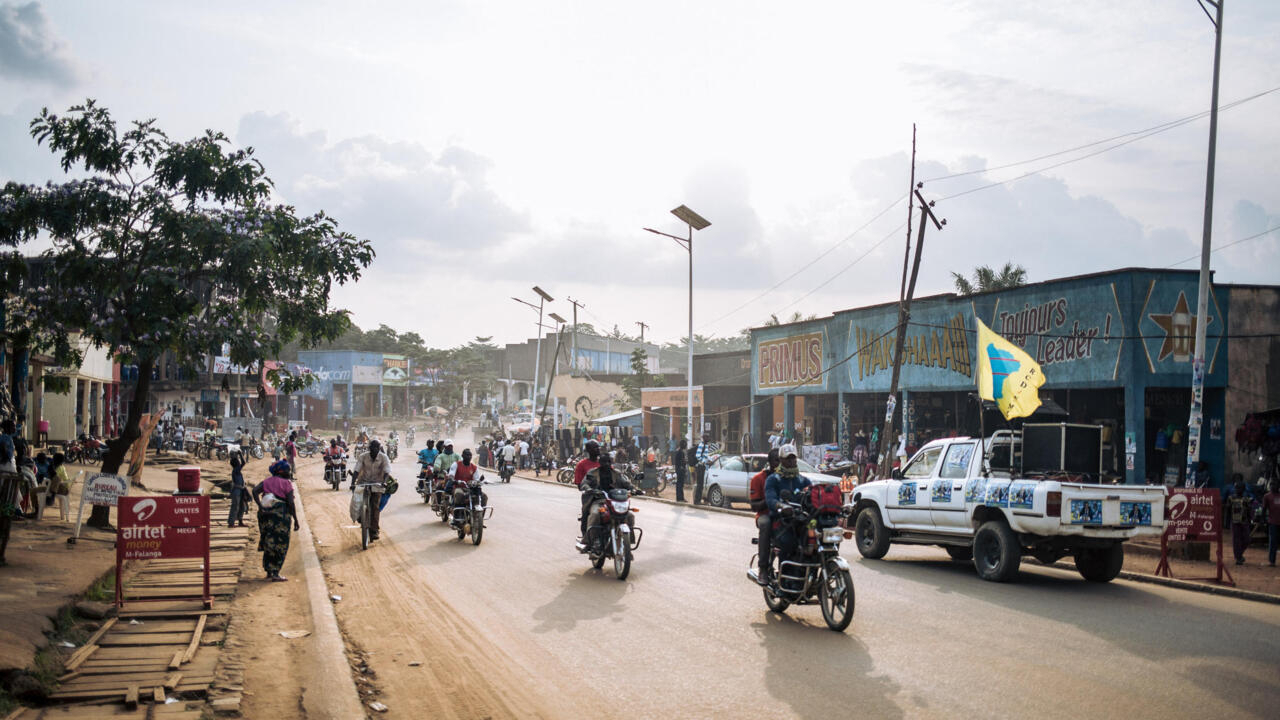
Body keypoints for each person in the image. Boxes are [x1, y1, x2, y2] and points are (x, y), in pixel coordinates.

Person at [765, 444, 813, 582]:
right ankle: (783, 579)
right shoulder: (773, 479)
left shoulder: (803, 480)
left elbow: (812, 495)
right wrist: (781, 505)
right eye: (788, 459)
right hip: (781, 521)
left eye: (793, 458)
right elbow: (770, 499)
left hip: (801, 521)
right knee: (788, 542)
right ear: (781, 460)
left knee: (815, 540)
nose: (791, 461)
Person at [252, 460, 299, 581]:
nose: (290, 472)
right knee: (280, 544)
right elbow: (290, 503)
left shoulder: (267, 481)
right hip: (280, 518)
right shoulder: (286, 483)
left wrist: (260, 506)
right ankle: (275, 573)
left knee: (269, 541)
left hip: (265, 516)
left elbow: (254, 491)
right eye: (288, 470)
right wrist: (296, 519)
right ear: (281, 471)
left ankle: (269, 571)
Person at [578, 452, 632, 551]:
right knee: (595, 514)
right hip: (599, 500)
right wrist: (589, 488)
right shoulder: (592, 473)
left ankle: (628, 542)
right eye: (604, 462)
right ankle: (590, 541)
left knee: (630, 515)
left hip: (615, 501)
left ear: (611, 462)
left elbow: (626, 483)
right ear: (600, 463)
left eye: (608, 462)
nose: (606, 464)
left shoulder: (616, 473)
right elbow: (584, 483)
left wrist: (634, 489)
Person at [749, 449, 782, 585]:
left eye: (782, 460)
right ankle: (762, 567)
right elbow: (754, 505)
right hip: (765, 514)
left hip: (784, 515)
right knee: (766, 524)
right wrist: (770, 501)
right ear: (769, 462)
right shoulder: (758, 479)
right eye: (777, 460)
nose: (780, 464)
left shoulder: (789, 478)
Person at [354, 440, 393, 541]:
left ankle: (374, 530)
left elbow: (387, 471)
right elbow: (357, 470)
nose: (374, 450)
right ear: (369, 448)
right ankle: (359, 516)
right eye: (372, 448)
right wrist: (352, 482)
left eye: (377, 447)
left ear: (379, 448)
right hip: (363, 482)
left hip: (377, 484)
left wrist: (384, 482)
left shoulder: (384, 457)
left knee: (375, 506)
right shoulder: (363, 456)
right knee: (356, 502)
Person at [446, 449, 486, 525]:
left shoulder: (474, 467)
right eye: (467, 455)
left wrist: (479, 481)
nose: (469, 457)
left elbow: (476, 479)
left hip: (470, 488)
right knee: (459, 494)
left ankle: (479, 518)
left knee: (484, 497)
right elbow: (451, 475)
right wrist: (453, 480)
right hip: (459, 487)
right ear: (462, 456)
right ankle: (457, 518)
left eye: (470, 455)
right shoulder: (456, 464)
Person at [1222, 473, 1256, 565]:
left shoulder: (1246, 499)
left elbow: (1249, 510)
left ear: (1243, 489)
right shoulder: (1231, 498)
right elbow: (1228, 510)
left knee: (1247, 539)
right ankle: (1238, 557)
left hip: (1244, 521)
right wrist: (1226, 522)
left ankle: (1239, 554)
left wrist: (1251, 520)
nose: (1237, 489)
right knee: (1236, 540)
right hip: (1234, 521)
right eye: (1236, 488)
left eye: (1239, 488)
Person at [574, 441, 603, 535]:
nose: (598, 449)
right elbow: (579, 484)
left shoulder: (604, 462)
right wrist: (589, 489)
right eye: (595, 448)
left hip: (605, 494)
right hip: (590, 496)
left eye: (599, 447)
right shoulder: (581, 465)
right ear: (589, 450)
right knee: (587, 513)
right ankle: (586, 536)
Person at [228, 450, 248, 527]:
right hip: (237, 491)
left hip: (240, 491)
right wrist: (240, 454)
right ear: (237, 464)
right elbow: (243, 463)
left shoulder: (237, 471)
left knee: (241, 506)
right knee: (235, 507)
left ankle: (240, 521)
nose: (240, 463)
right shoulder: (236, 470)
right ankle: (231, 523)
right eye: (238, 462)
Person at [1262, 479, 1280, 567]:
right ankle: (1272, 561)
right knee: (1273, 541)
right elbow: (1264, 509)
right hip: (1272, 522)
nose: (1273, 486)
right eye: (1271, 485)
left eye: (1275, 485)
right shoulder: (1267, 496)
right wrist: (1263, 520)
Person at [694, 432, 714, 505]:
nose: (708, 438)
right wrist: (705, 462)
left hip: (704, 467)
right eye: (707, 437)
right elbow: (698, 456)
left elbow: (705, 456)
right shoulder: (701, 445)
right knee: (699, 484)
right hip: (700, 467)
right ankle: (697, 501)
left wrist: (711, 460)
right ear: (704, 438)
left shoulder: (706, 446)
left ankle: (700, 500)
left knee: (702, 484)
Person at [673, 438, 688, 502]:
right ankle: (679, 498)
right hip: (680, 470)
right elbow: (679, 461)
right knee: (680, 484)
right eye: (685, 444)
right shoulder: (680, 452)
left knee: (680, 484)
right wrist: (684, 462)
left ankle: (680, 497)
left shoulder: (680, 451)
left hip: (679, 469)